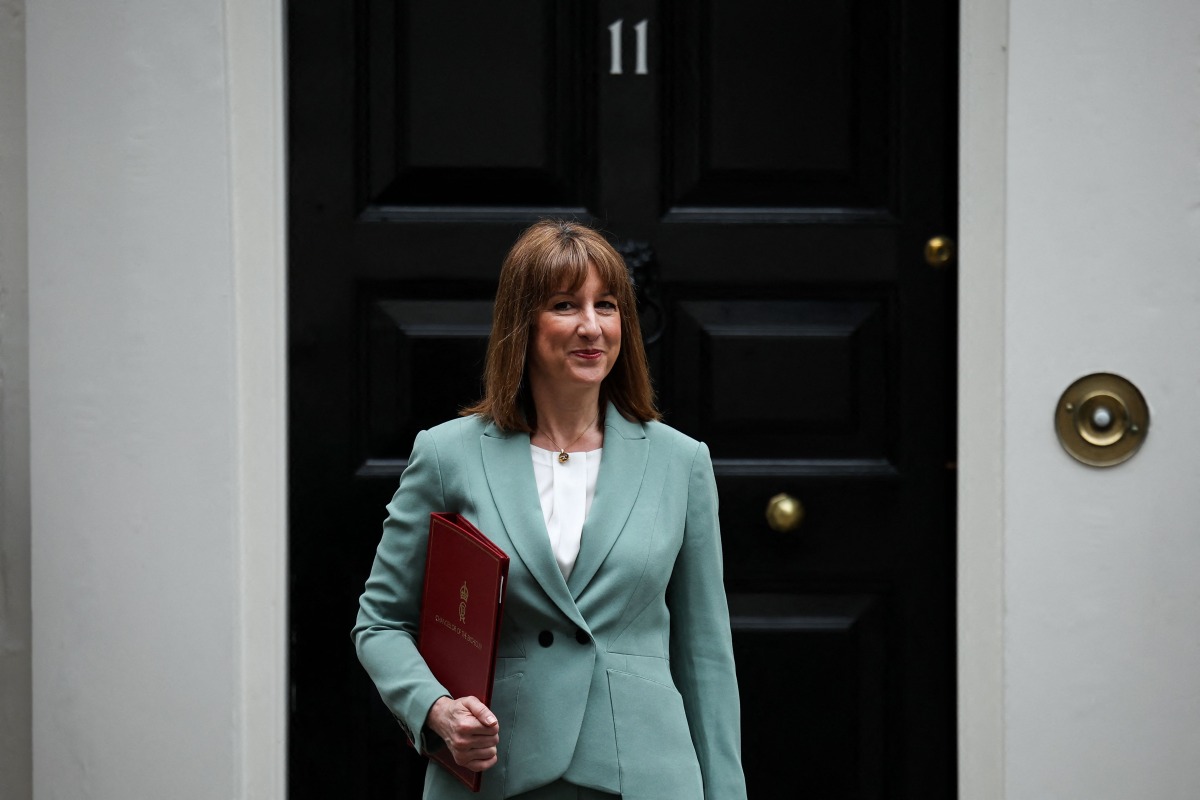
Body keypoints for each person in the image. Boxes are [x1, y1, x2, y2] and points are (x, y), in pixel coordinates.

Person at [353, 219, 747, 800]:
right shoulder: (446, 455)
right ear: (523, 323)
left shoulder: (680, 461)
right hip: (498, 775)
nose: (592, 326)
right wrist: (436, 710)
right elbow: (382, 623)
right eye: (565, 305)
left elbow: (705, 655)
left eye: (606, 305)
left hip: (646, 777)